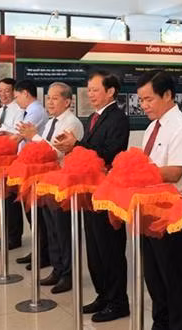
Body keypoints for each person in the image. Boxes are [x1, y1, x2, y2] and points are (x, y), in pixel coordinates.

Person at [54, 70, 130, 323]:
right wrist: (73, 146)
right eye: (89, 90)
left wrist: (77, 146)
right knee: (95, 249)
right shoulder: (93, 118)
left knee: (110, 249)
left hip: (108, 191)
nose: (91, 95)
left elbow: (109, 153)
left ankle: (118, 301)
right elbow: (88, 152)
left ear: (111, 91)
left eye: (95, 90)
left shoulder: (118, 118)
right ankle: (103, 295)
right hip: (90, 192)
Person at [136, 70, 182, 330]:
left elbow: (174, 172)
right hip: (148, 206)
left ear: (168, 95)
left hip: (172, 207)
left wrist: (135, 171)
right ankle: (160, 322)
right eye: (141, 100)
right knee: (153, 272)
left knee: (172, 271)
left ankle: (179, 324)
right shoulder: (152, 127)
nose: (144, 105)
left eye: (149, 99)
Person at [18, 81, 84, 294]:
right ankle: (57, 269)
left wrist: (33, 137)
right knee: (52, 229)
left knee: (64, 231)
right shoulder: (50, 122)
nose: (50, 102)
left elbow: (56, 153)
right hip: (46, 182)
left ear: (67, 101)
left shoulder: (72, 123)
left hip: (63, 184)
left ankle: (68, 274)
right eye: (48, 97)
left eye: (55, 98)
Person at [10, 78, 49, 265]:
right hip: (27, 167)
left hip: (35, 170)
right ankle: (38, 250)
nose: (16, 100)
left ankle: (42, 253)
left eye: (17, 96)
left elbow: (19, 136)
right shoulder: (28, 111)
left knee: (36, 214)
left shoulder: (35, 111)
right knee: (31, 214)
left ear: (25, 93)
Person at [0, 78, 25, 250]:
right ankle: (6, 234)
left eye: (6, 90)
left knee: (13, 200)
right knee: (5, 200)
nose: (2, 94)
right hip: (0, 162)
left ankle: (15, 237)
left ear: (14, 92)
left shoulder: (20, 110)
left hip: (15, 160)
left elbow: (15, 135)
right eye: (0, 90)